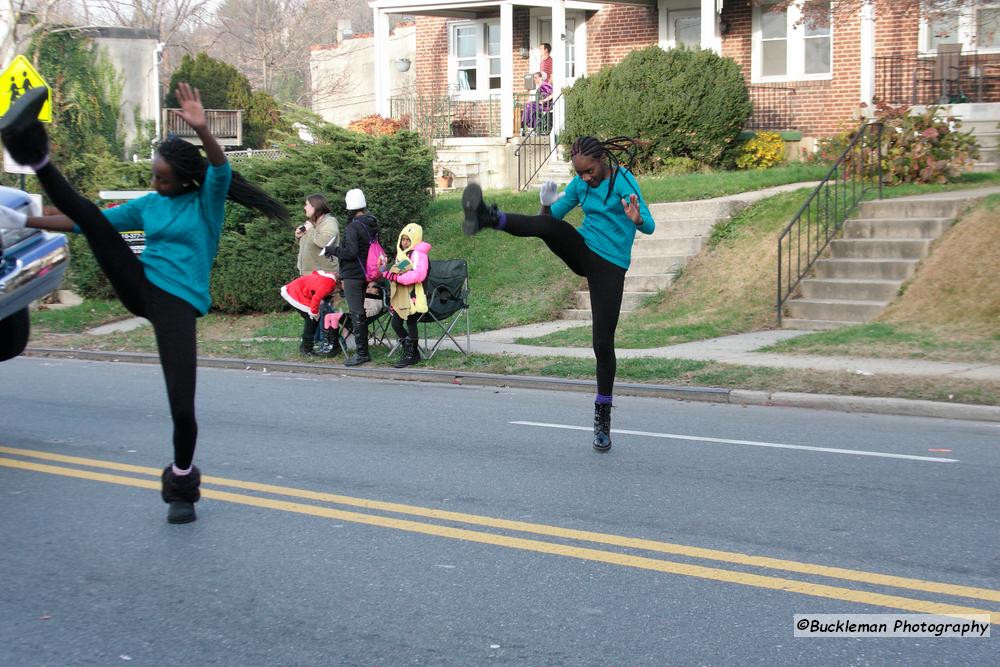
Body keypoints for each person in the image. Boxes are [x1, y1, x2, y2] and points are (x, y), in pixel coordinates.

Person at [0, 83, 289, 523]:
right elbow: (84, 220)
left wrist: (203, 129)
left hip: (177, 304)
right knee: (96, 220)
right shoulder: (150, 205)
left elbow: (219, 167)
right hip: (139, 285)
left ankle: (181, 485)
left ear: (184, 180)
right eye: (153, 176)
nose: (154, 183)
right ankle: (33, 151)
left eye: (162, 178)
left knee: (183, 407)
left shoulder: (206, 202)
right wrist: (24, 219)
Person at [461, 136, 654, 452]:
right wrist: (546, 203)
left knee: (602, 344)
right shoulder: (580, 186)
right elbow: (547, 221)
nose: (585, 178)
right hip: (584, 251)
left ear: (601, 160)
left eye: (589, 171)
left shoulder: (623, 181)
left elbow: (650, 225)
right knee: (552, 228)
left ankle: (602, 420)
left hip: (611, 266)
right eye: (580, 173)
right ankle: (487, 217)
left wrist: (637, 219)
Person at [323, 188, 381, 367]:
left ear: (349, 206)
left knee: (357, 312)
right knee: (360, 312)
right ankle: (363, 350)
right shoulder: (371, 223)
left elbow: (351, 252)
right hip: (366, 272)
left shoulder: (353, 226)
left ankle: (362, 353)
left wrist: (331, 250)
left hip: (353, 275)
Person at [294, 194, 340, 356]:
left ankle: (326, 342)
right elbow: (308, 245)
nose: (305, 208)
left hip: (322, 275)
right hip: (309, 275)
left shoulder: (329, 223)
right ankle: (316, 341)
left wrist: (310, 230)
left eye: (307, 205)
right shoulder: (313, 224)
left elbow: (323, 242)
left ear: (315, 207)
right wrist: (300, 235)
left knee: (320, 308)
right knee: (314, 309)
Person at [385, 223, 431, 368]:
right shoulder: (402, 255)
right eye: (403, 239)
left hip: (415, 295)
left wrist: (398, 277)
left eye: (408, 240)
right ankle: (410, 350)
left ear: (415, 240)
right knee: (396, 323)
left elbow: (419, 274)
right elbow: (394, 272)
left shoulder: (419, 254)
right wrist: (385, 272)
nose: (405, 242)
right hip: (402, 295)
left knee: (411, 321)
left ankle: (412, 355)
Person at [280, 269, 338, 355]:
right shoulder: (330, 283)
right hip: (296, 293)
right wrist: (314, 313)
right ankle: (306, 349)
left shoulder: (329, 279)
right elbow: (316, 298)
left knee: (313, 320)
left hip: (297, 290)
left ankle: (305, 347)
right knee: (311, 320)